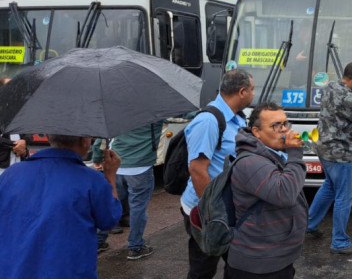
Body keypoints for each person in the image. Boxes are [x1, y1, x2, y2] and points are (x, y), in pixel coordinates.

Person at [0, 134, 123, 278]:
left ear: (49, 138)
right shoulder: (91, 180)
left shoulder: (11, 174)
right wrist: (110, 176)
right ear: (84, 141)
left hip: (15, 270)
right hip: (68, 271)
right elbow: (110, 220)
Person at [181, 69, 254, 278]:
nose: (253, 94)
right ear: (242, 92)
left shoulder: (237, 118)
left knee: (237, 262)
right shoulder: (209, 121)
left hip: (226, 207)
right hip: (207, 210)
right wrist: (210, 215)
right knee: (203, 268)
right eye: (252, 90)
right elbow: (197, 169)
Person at [307, 62, 352, 255]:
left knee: (330, 187)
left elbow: (344, 109)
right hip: (338, 152)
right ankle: (339, 241)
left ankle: (310, 224)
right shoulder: (348, 97)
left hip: (323, 147)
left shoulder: (330, 87)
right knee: (344, 196)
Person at [227, 102, 308, 279]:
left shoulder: (270, 154)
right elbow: (284, 194)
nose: (284, 130)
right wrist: (295, 154)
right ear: (256, 132)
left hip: (275, 257)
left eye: (285, 123)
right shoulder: (250, 162)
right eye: (275, 126)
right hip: (258, 265)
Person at [92, 122, 163, 260]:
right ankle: (136, 247)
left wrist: (97, 158)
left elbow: (101, 140)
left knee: (110, 202)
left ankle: (99, 241)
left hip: (116, 164)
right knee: (138, 208)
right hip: (141, 168)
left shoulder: (119, 111)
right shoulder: (154, 112)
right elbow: (183, 115)